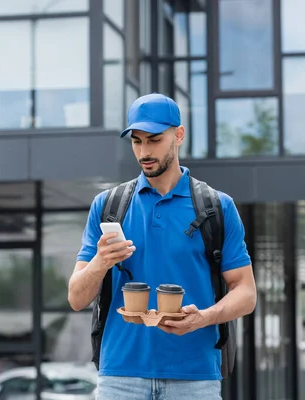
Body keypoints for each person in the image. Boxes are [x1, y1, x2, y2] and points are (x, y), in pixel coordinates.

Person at [67, 93, 257, 399]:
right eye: (137, 141)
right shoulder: (108, 206)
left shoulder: (217, 207)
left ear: (178, 135)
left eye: (154, 139)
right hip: (119, 378)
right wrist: (101, 262)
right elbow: (76, 298)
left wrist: (204, 317)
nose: (144, 151)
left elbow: (246, 294)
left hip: (195, 379)